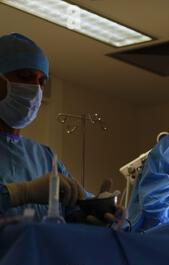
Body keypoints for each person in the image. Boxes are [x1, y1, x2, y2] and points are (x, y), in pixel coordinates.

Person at [0, 33, 121, 226]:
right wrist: (20, 193)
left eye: (41, 82)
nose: (35, 89)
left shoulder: (45, 157)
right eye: (25, 77)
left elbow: (70, 212)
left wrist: (96, 211)